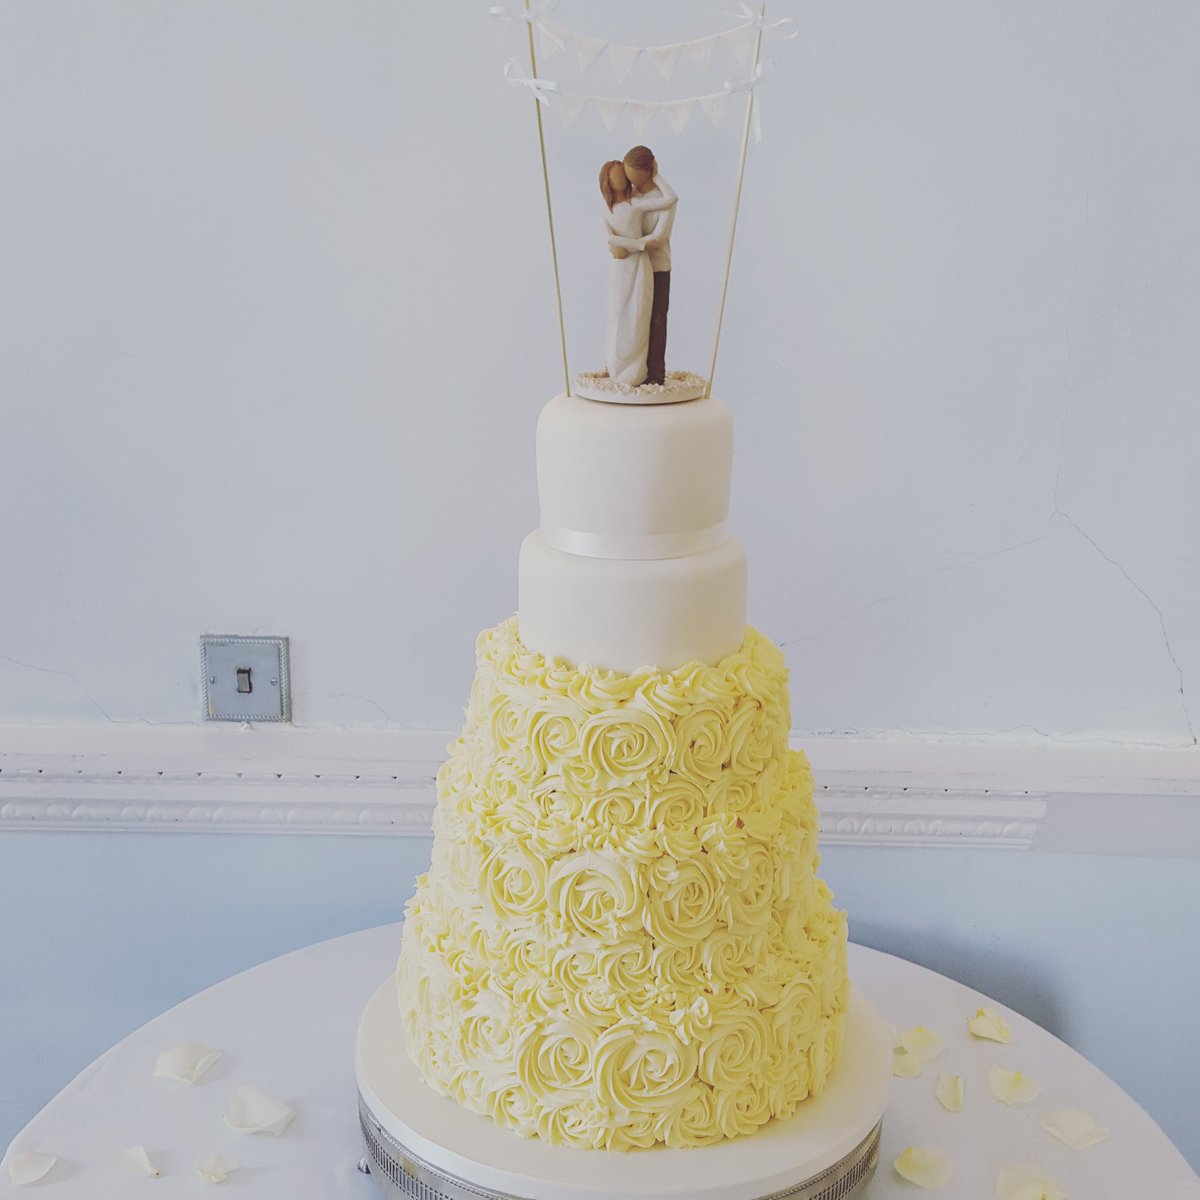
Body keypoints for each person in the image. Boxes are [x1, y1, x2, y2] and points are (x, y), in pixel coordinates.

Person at [599, 158, 677, 387]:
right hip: (622, 269)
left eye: (625, 174)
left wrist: (635, 245)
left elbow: (669, 204)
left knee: (643, 318)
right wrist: (634, 245)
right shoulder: (609, 209)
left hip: (648, 266)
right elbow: (609, 238)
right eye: (617, 174)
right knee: (619, 315)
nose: (622, 178)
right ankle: (617, 365)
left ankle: (647, 372)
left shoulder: (639, 204)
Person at [622, 145, 674, 385]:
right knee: (634, 317)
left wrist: (627, 244)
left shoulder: (664, 200)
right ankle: (632, 368)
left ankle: (655, 373)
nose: (633, 184)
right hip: (632, 269)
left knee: (657, 319)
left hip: (657, 267)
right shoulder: (630, 197)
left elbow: (658, 238)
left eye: (637, 178)